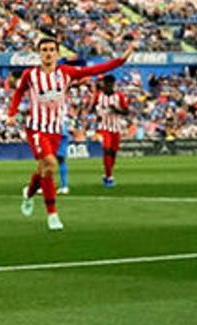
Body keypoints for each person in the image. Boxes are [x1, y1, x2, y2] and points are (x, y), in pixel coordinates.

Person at [9, 37, 135, 230]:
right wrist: (12, 113)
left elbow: (95, 70)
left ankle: (28, 194)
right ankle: (52, 215)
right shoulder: (30, 75)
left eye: (52, 49)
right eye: (44, 50)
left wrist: (122, 59)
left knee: (45, 167)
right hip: (36, 128)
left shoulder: (66, 73)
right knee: (50, 164)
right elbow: (18, 93)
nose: (48, 53)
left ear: (58, 54)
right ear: (39, 53)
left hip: (56, 129)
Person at [86, 74, 129, 188]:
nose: (108, 86)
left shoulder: (119, 96)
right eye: (107, 84)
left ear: (113, 85)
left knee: (113, 153)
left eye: (111, 84)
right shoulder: (98, 96)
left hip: (116, 128)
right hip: (104, 128)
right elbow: (91, 109)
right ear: (104, 84)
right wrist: (97, 115)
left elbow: (126, 112)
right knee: (107, 149)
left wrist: (116, 110)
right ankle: (109, 178)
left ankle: (108, 174)